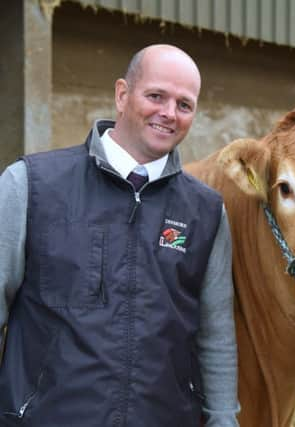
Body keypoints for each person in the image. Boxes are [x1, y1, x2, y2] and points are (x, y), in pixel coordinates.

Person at [0, 44, 239, 426]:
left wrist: (223, 420)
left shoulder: (206, 212)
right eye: (156, 96)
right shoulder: (30, 185)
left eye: (184, 104)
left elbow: (216, 335)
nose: (168, 114)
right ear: (123, 95)